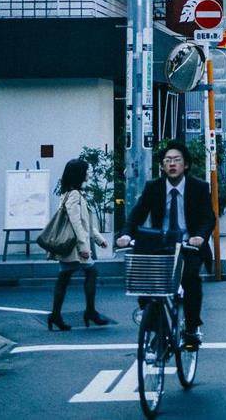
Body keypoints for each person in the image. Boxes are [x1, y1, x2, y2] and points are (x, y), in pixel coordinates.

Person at [116, 141, 215, 350]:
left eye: (177, 160)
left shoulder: (198, 187)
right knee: (146, 283)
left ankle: (191, 327)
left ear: (185, 165)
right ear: (162, 165)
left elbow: (208, 217)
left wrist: (200, 237)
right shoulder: (154, 187)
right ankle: (157, 327)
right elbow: (137, 214)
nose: (172, 164)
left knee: (190, 278)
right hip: (161, 244)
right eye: (167, 160)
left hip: (188, 244)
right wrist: (125, 235)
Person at [47, 159, 110, 331]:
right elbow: (76, 222)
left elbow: (84, 222)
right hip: (74, 246)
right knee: (91, 271)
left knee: (64, 278)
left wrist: (97, 238)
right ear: (79, 173)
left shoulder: (69, 193)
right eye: (87, 170)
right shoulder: (74, 194)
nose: (89, 173)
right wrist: (84, 247)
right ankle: (89, 311)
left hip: (71, 246)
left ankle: (56, 315)